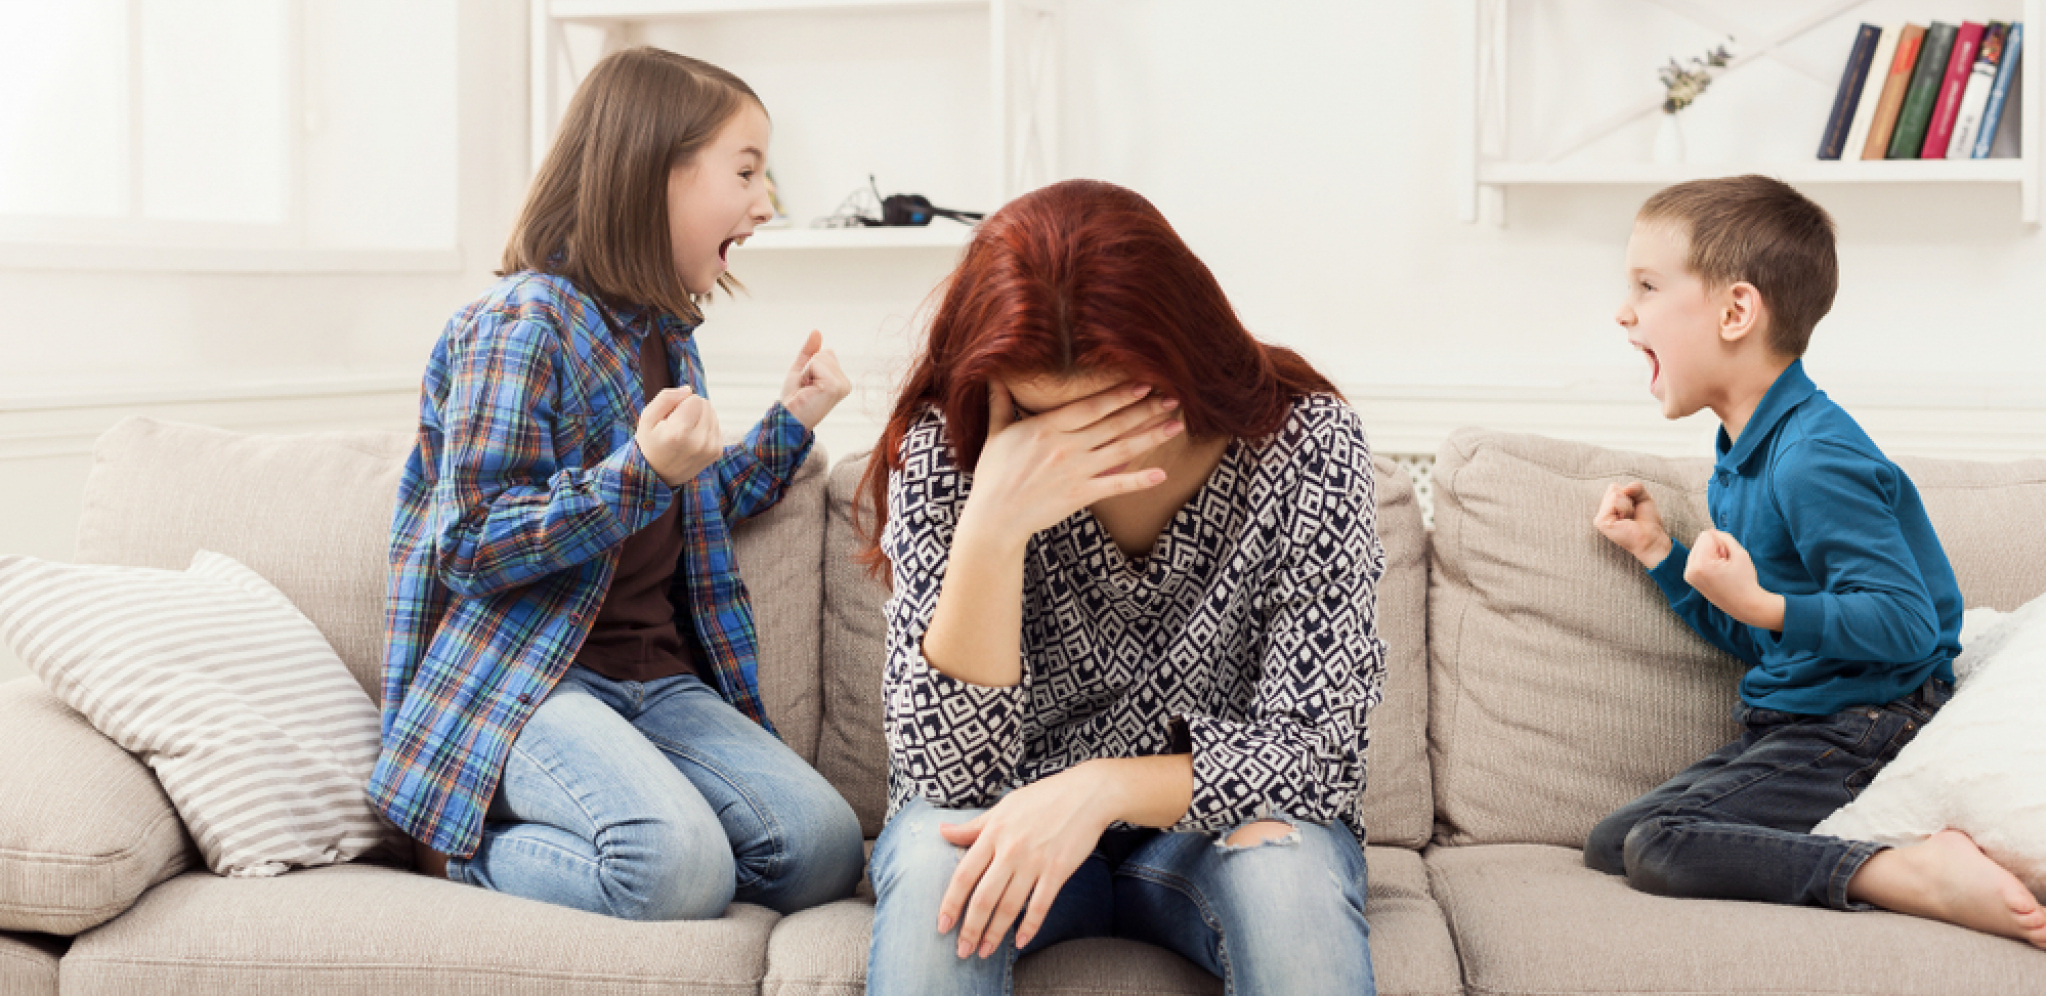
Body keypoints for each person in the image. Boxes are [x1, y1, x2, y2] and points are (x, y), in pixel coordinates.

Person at [368, 47, 864, 921]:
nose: (765, 204)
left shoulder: (665, 333)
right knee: (677, 871)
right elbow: (469, 542)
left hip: (658, 681)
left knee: (822, 849)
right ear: (653, 172)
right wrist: (636, 478)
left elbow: (695, 502)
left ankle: (638, 832)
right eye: (746, 171)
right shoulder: (520, 325)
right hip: (530, 680)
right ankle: (459, 853)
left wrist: (793, 418)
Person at [857, 179, 1386, 995]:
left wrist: (1100, 790)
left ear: (1190, 350)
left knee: (1288, 877)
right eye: (1050, 422)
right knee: (937, 870)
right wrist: (994, 525)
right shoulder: (948, 456)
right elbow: (944, 777)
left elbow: (1319, 752)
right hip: (1008, 820)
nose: (1089, 450)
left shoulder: (1307, 445)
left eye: (1125, 407)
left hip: (1212, 830)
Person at [1589, 174, 2046, 949]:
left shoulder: (1814, 458)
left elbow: (1905, 626)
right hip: (1797, 720)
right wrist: (1662, 555)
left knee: (1658, 847)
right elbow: (1766, 633)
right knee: (1614, 843)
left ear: (1736, 311)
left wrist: (1766, 605)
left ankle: (1902, 870)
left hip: (1862, 725)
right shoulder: (1745, 452)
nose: (1623, 310)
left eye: (1647, 285)